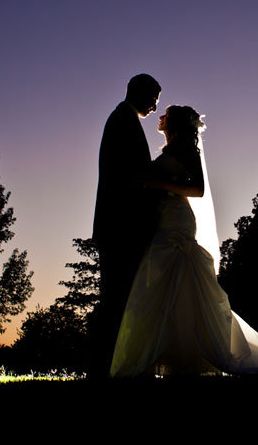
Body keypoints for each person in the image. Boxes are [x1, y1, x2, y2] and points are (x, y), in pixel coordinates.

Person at [110, 105, 258, 376]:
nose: (161, 117)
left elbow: (198, 189)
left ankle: (194, 352)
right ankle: (169, 354)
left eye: (166, 114)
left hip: (178, 219)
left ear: (176, 124)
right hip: (162, 219)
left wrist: (158, 185)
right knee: (164, 281)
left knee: (178, 275)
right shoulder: (168, 152)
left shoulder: (188, 151)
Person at [92, 73, 162, 375]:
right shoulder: (123, 120)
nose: (156, 107)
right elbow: (130, 176)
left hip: (118, 224)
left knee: (119, 295)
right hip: (121, 225)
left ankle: (116, 365)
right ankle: (107, 366)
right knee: (117, 297)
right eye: (154, 99)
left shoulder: (123, 118)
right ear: (140, 93)